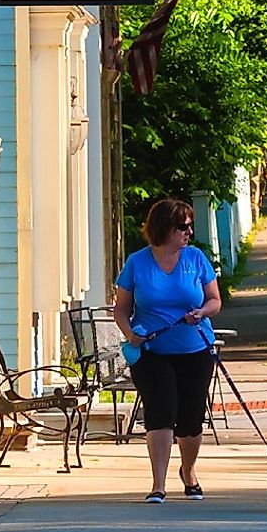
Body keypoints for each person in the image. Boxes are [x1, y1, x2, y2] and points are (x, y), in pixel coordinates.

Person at [112, 197, 223, 502]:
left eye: (190, 226)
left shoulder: (196, 259)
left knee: (191, 416)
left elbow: (215, 300)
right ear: (164, 228)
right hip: (152, 351)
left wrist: (201, 313)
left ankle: (188, 472)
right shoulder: (138, 262)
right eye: (182, 226)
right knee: (160, 412)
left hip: (194, 348)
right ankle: (158, 484)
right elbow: (121, 308)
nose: (189, 232)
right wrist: (129, 333)